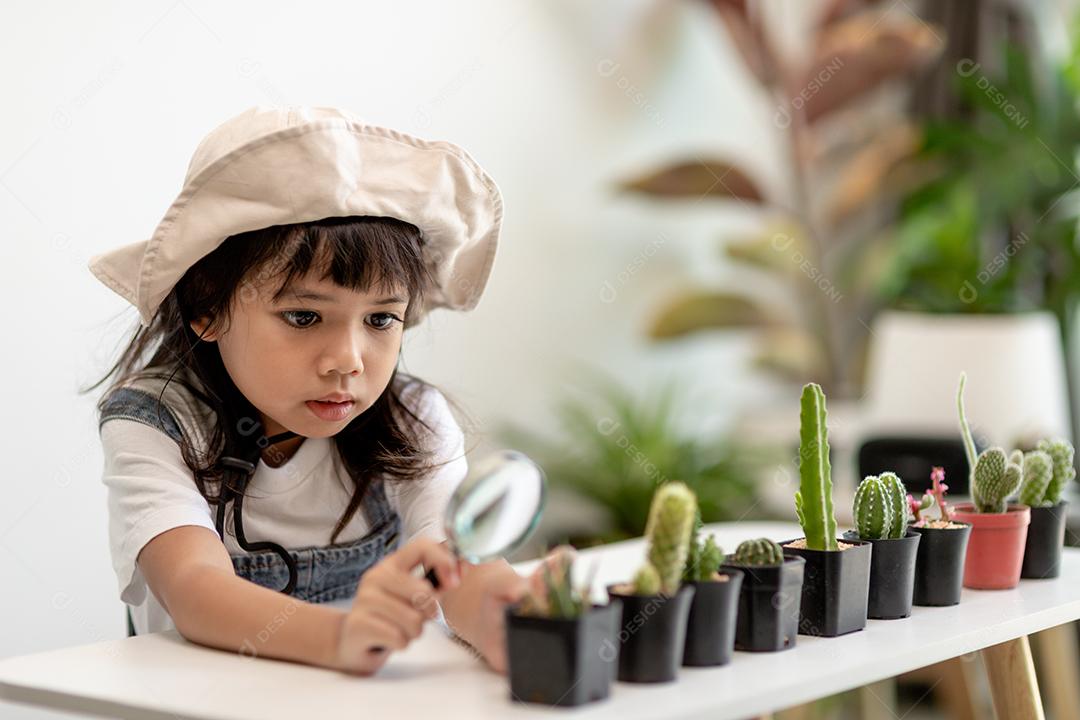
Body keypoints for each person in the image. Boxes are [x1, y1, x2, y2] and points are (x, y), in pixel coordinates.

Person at [82, 105, 528, 677]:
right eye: (303, 317)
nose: (348, 361)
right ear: (206, 307)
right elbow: (194, 587)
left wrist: (511, 620)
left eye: (380, 319)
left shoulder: (413, 416)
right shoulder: (155, 423)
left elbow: (460, 566)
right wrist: (342, 637)